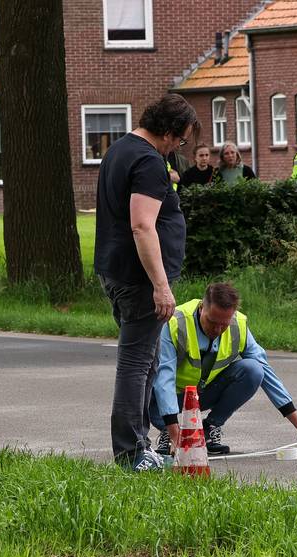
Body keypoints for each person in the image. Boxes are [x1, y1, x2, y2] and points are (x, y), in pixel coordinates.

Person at [93, 94, 198, 472]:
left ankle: (141, 443)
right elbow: (142, 225)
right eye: (181, 140)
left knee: (149, 361)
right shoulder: (149, 160)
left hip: (115, 268)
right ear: (168, 132)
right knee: (136, 364)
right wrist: (161, 285)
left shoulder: (119, 149)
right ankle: (131, 452)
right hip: (138, 278)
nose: (179, 147)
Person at [149, 282, 297, 456]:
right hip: (163, 400)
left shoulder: (238, 325)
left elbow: (267, 376)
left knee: (254, 370)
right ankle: (168, 432)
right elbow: (164, 378)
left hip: (201, 395)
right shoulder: (176, 323)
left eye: (224, 324)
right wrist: (174, 433)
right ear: (202, 307)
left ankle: (209, 429)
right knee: (144, 389)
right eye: (212, 322)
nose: (218, 329)